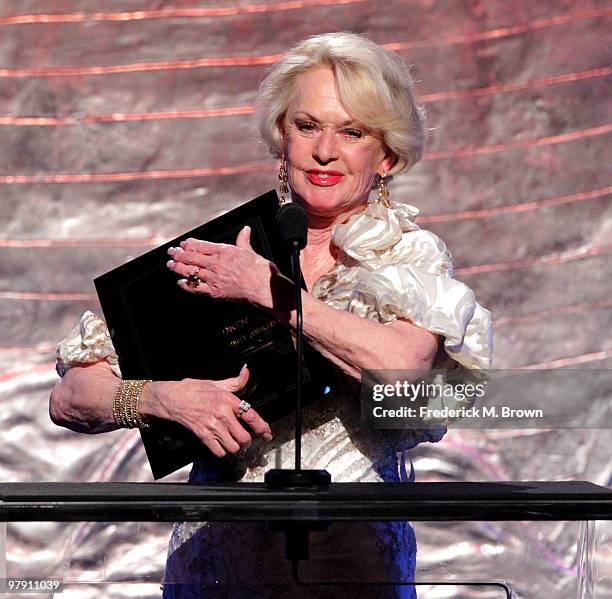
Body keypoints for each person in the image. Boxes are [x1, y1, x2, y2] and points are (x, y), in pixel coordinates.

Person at [50, 32, 492, 598]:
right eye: (308, 126)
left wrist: (268, 290)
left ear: (385, 155)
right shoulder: (224, 250)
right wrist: (161, 399)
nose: (325, 150)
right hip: (217, 558)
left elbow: (402, 375)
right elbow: (70, 398)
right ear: (282, 138)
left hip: (348, 558)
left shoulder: (405, 258)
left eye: (352, 132)